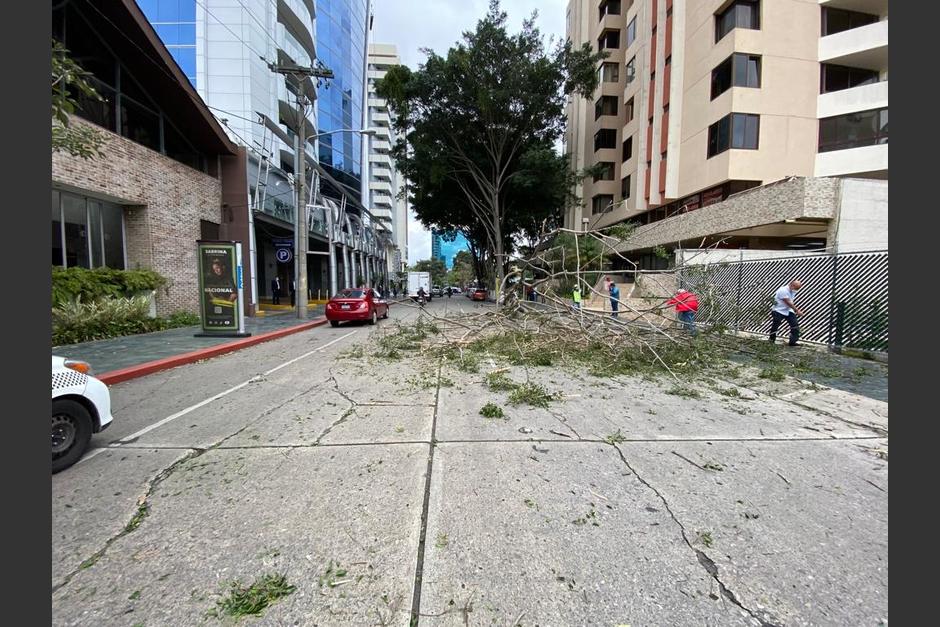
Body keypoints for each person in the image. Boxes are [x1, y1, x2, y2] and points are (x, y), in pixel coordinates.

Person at [769, 280, 804, 346]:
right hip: (778, 310)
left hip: (788, 310)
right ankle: (771, 341)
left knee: (795, 325)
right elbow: (788, 302)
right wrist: (797, 310)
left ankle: (792, 342)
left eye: (798, 289)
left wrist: (794, 310)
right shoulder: (783, 290)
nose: (796, 290)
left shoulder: (792, 290)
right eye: (796, 288)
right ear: (792, 285)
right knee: (775, 326)